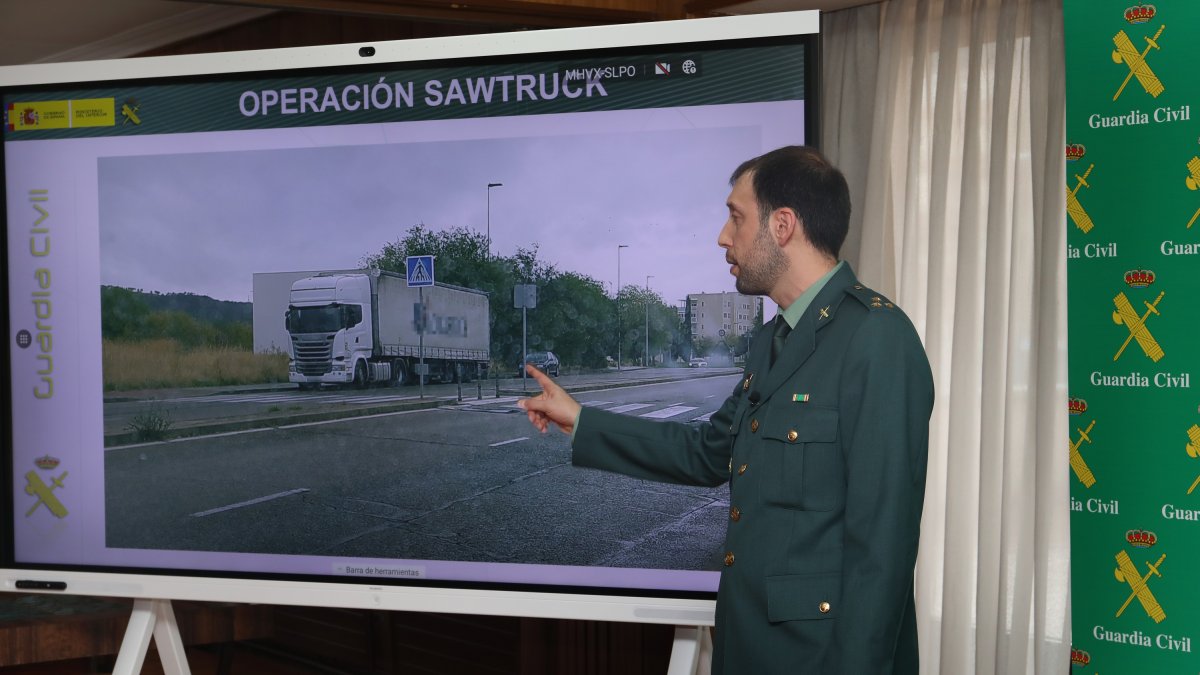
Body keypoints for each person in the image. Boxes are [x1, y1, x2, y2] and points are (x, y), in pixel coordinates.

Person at [518, 146, 934, 674]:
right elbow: (708, 452)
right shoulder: (771, 341)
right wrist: (581, 419)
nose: (722, 235)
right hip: (747, 648)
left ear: (783, 225)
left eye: (737, 216)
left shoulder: (876, 339)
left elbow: (883, 553)